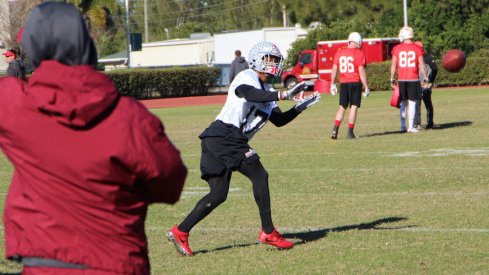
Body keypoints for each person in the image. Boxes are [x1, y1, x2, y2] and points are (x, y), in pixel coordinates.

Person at [0, 2, 187, 274]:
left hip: (46, 265)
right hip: (118, 264)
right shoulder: (130, 117)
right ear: (86, 45)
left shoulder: (16, 104)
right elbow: (171, 185)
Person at [166, 41, 320, 256]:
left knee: (218, 194)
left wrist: (298, 108)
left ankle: (180, 231)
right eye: (270, 59)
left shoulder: (267, 90)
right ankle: (268, 232)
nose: (274, 63)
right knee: (260, 175)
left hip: (219, 139)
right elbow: (250, 95)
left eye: (275, 60)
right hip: (224, 135)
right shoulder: (246, 77)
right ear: (258, 59)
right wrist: (283, 95)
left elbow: (279, 120)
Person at [330, 32, 370, 139]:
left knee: (342, 107)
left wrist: (332, 83)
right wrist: (366, 87)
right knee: (353, 107)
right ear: (358, 42)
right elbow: (361, 72)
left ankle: (335, 131)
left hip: (343, 83)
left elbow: (334, 69)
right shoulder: (359, 53)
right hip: (355, 82)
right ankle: (350, 132)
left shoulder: (339, 52)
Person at [390, 26, 429, 133]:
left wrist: (392, 78)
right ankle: (411, 126)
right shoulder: (417, 48)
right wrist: (425, 77)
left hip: (402, 79)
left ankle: (402, 125)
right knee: (412, 102)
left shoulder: (396, 48)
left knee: (403, 103)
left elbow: (394, 65)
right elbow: (422, 65)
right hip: (413, 79)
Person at [413, 42, 438, 129]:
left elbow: (435, 69)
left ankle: (422, 123)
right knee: (421, 104)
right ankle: (422, 123)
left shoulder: (426, 57)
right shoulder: (421, 57)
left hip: (422, 85)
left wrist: (430, 81)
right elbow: (435, 69)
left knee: (421, 104)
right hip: (419, 84)